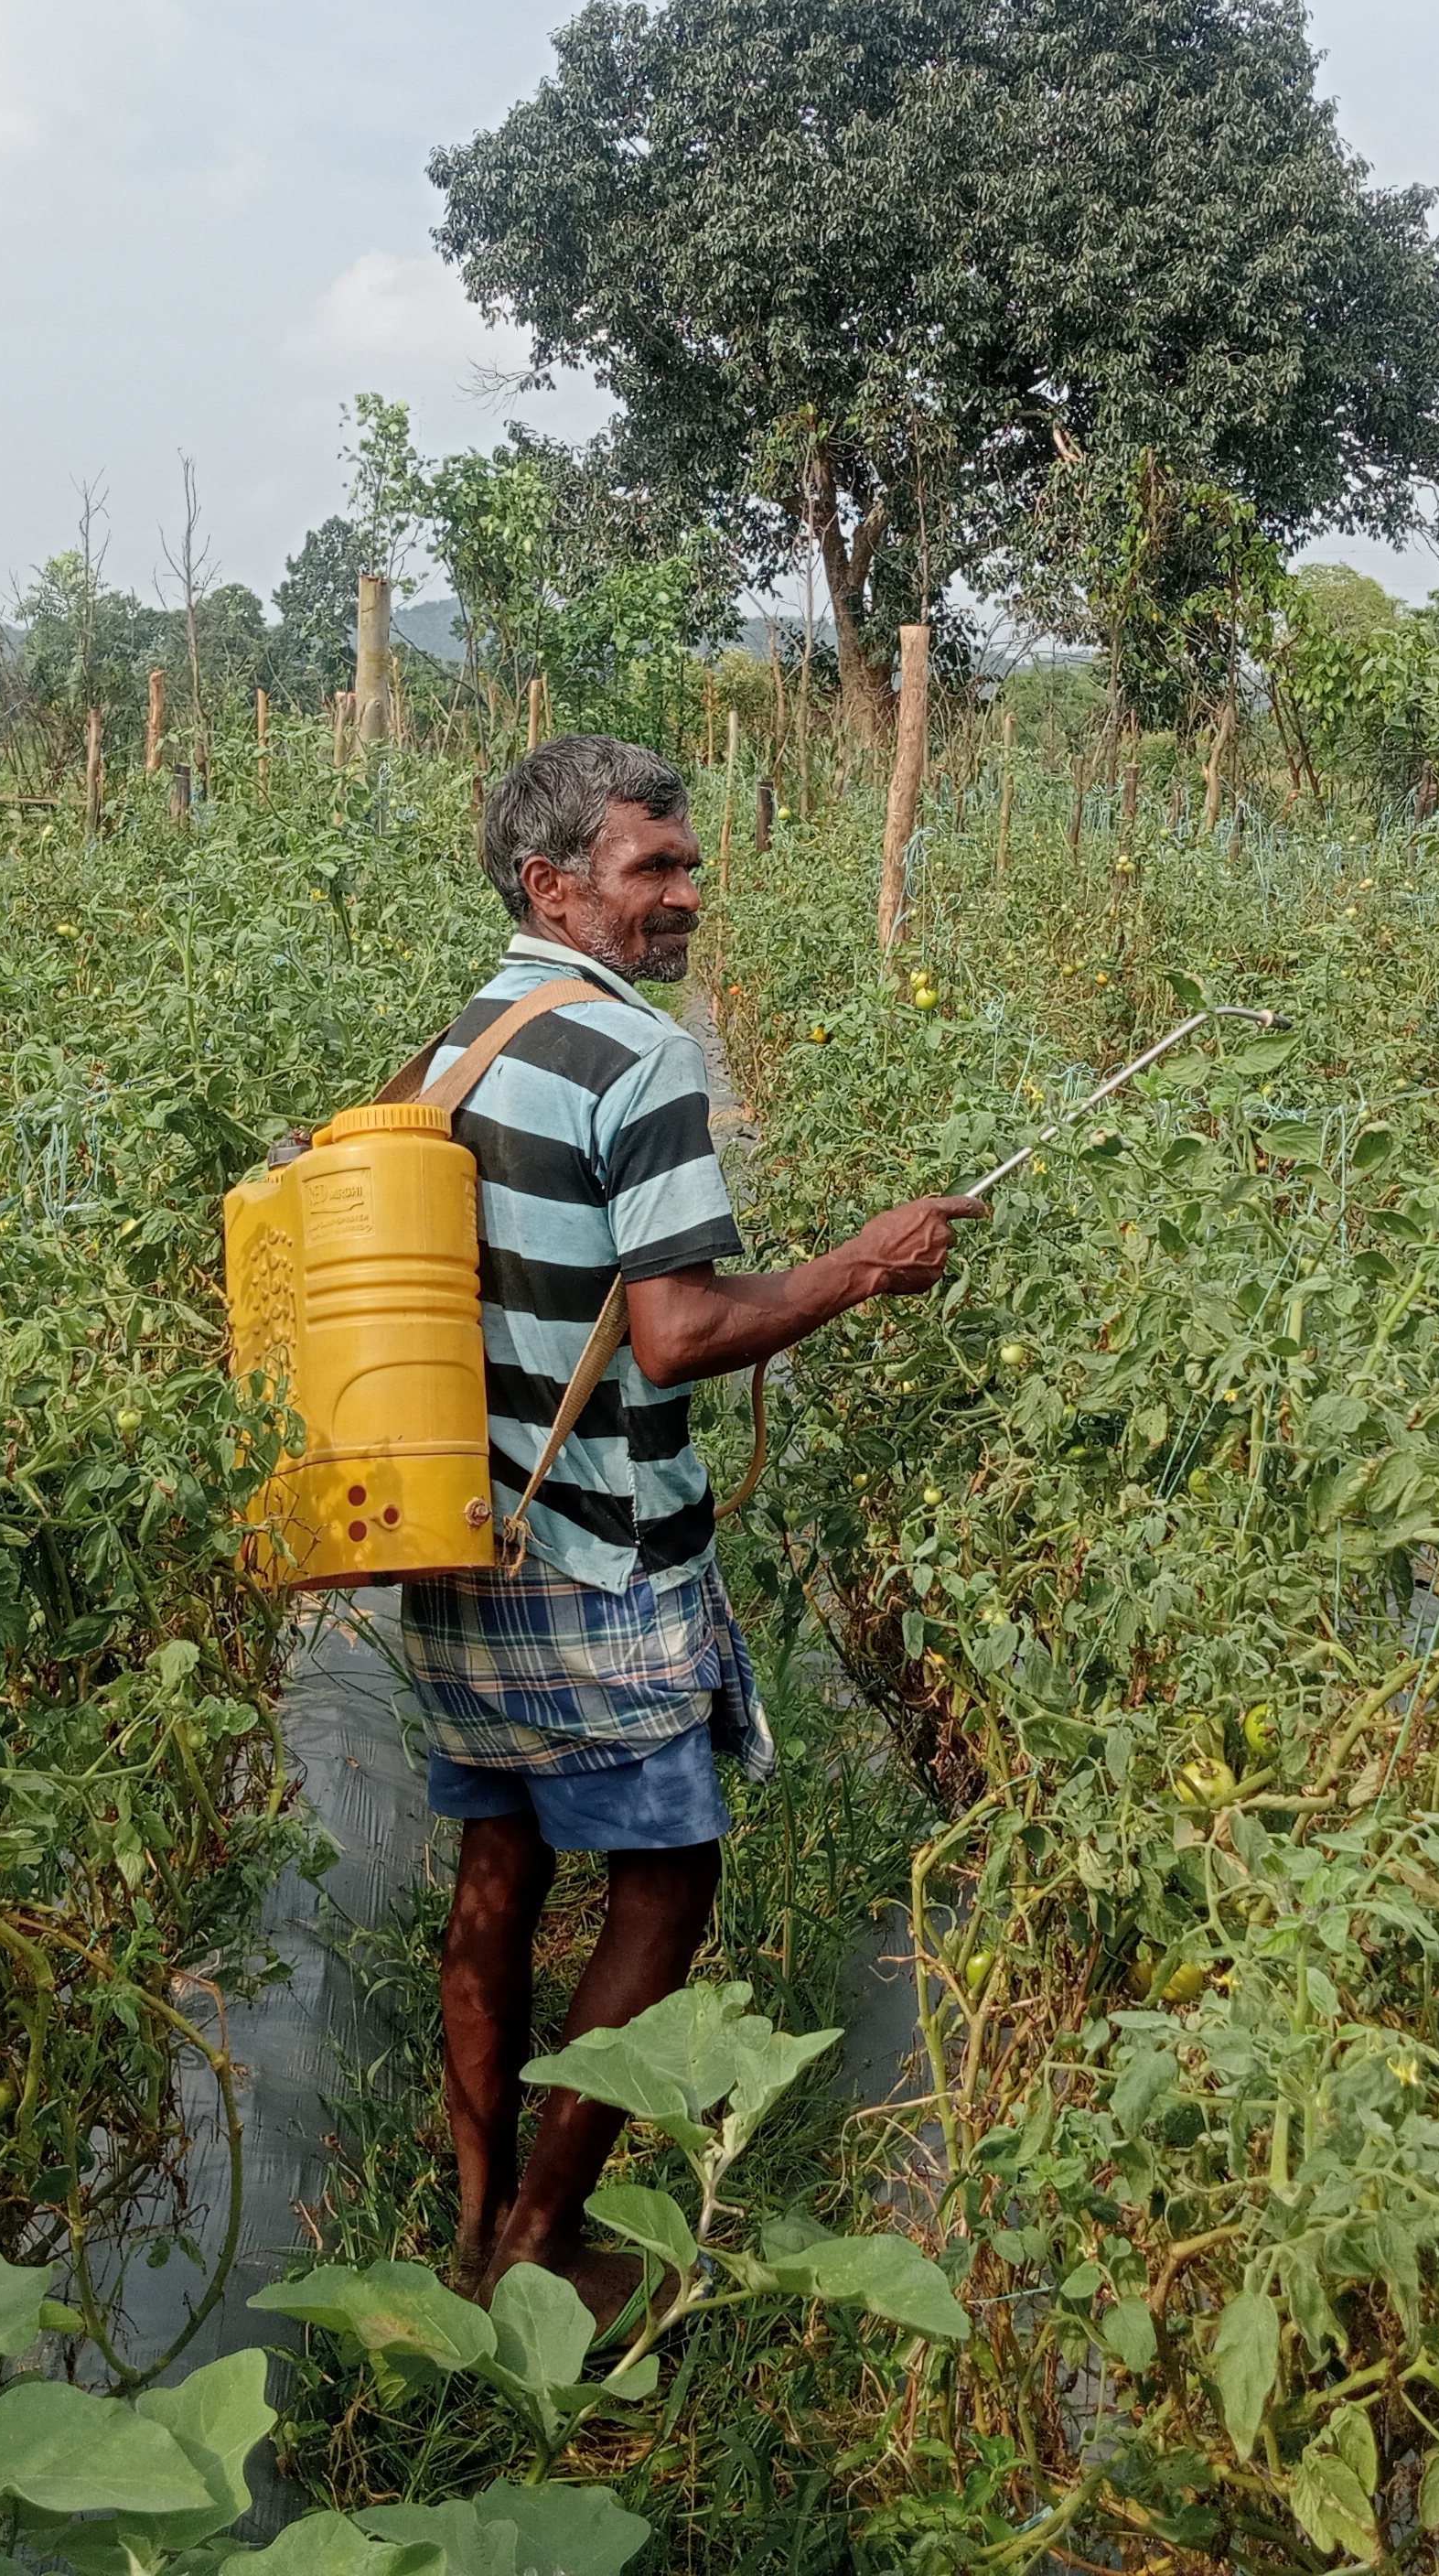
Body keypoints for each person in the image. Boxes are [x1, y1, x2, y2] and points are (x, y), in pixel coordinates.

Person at [410, 732, 977, 2319]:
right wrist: (863, 1265)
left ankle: (471, 2216)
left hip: (467, 1528)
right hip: (599, 1548)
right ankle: (537, 2239)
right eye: (654, 868)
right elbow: (675, 1332)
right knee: (667, 1883)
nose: (685, 895)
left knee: (499, 1865)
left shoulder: (462, 1046)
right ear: (556, 885)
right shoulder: (637, 1057)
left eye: (686, 864)